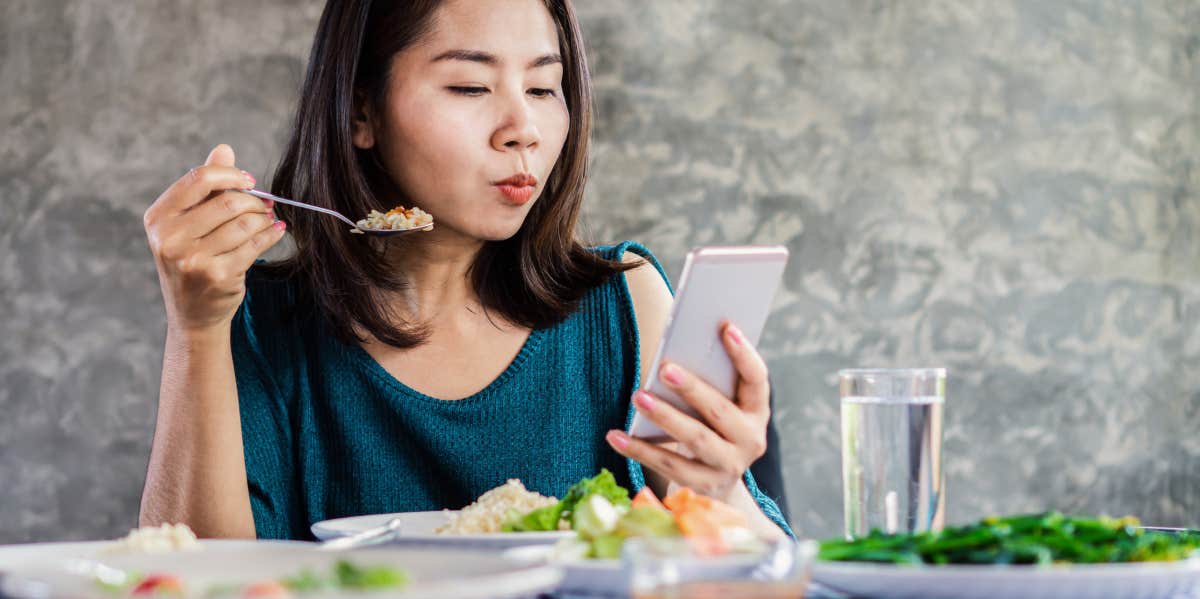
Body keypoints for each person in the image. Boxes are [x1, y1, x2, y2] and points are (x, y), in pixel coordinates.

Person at [139, 0, 791, 541]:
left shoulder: (625, 302)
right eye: (470, 87)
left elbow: (767, 574)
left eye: (542, 87)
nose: (523, 128)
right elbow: (193, 580)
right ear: (361, 112)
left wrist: (721, 489)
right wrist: (194, 330)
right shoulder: (250, 325)